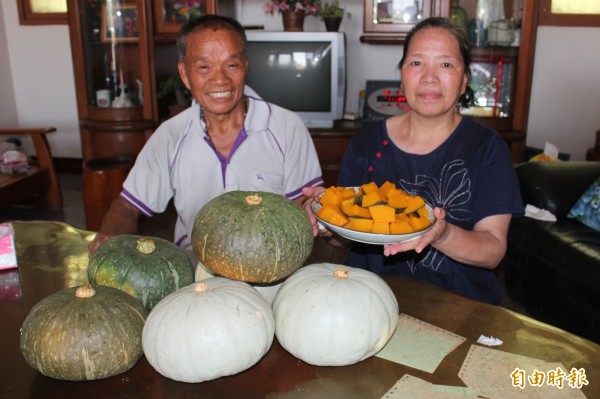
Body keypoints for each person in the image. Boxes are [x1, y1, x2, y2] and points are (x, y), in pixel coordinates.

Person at [303, 17, 524, 304]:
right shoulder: (366, 144)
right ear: (402, 74)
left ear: (464, 81)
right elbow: (345, 236)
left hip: (463, 307)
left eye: (446, 64)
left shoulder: (488, 148)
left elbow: (493, 251)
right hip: (374, 300)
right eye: (417, 63)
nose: (429, 76)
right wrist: (325, 219)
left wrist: (441, 234)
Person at [89, 15, 323, 254]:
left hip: (271, 263)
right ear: (184, 74)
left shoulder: (287, 127)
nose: (220, 80)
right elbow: (127, 206)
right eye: (204, 67)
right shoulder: (169, 136)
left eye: (232, 65)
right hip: (196, 267)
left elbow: (301, 205)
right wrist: (110, 240)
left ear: (245, 66)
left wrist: (313, 208)